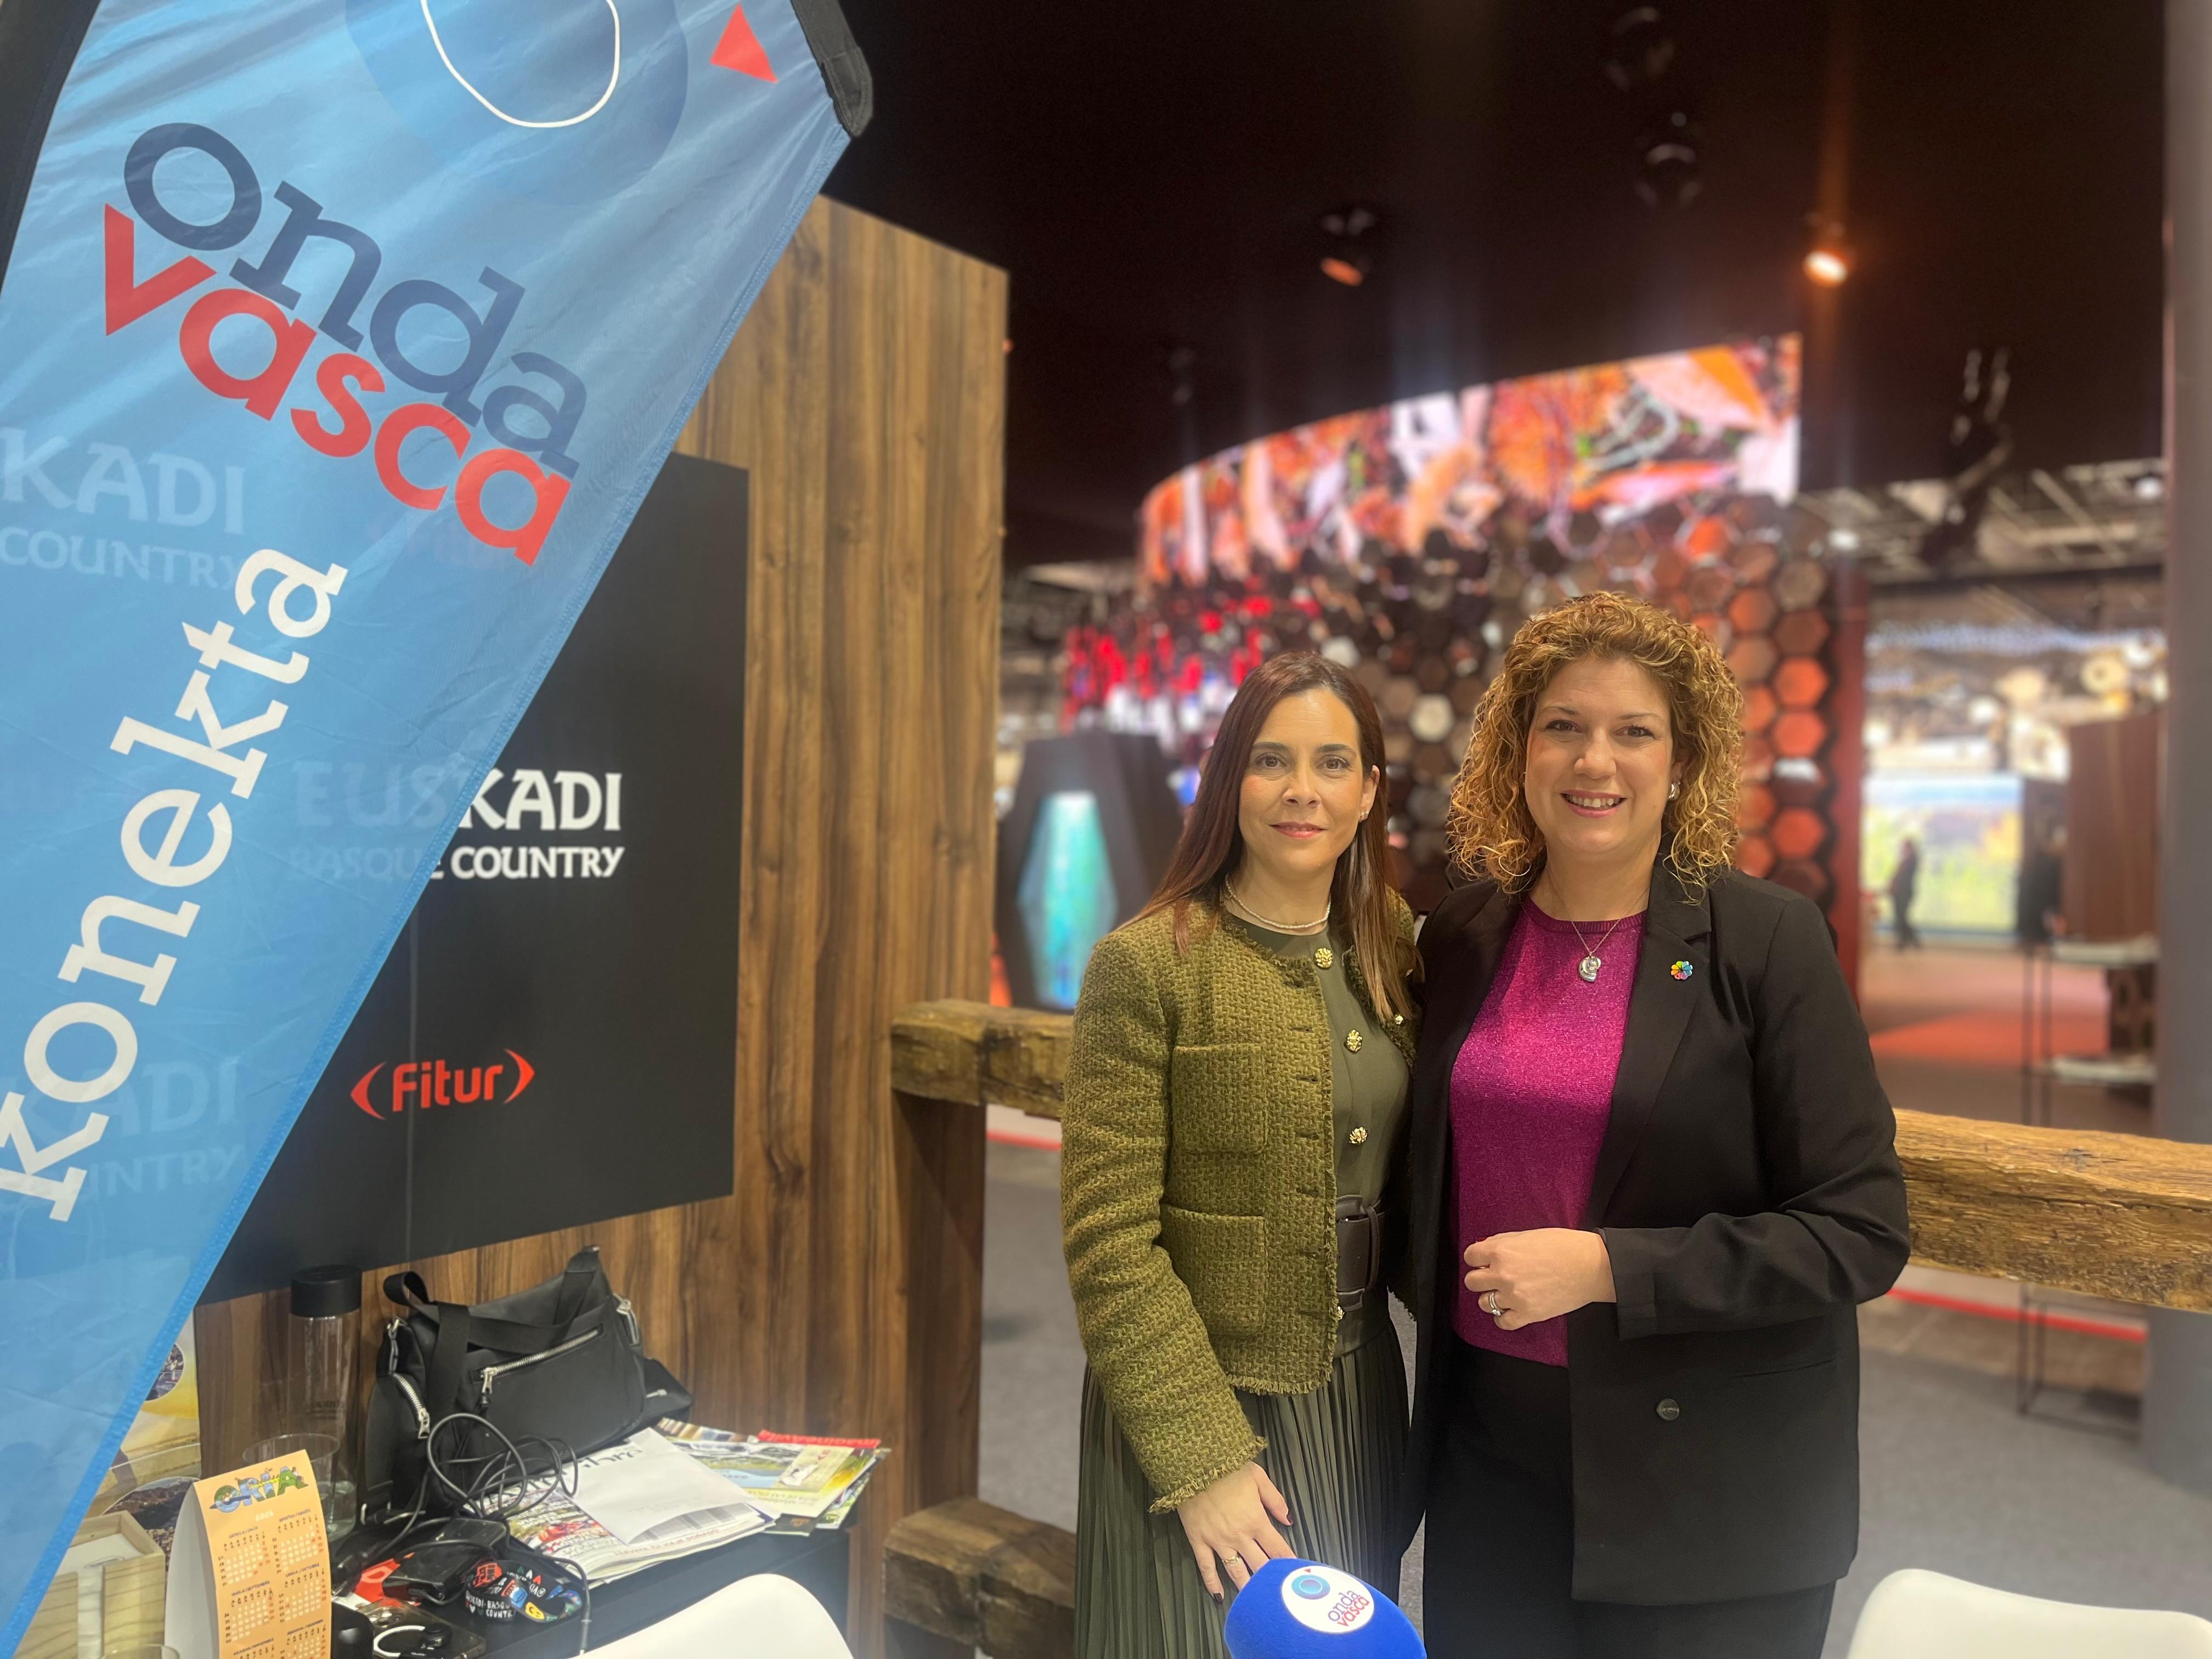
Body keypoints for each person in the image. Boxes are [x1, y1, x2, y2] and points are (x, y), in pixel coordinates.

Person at [1400, 592, 1910, 1659]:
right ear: (1518, 750)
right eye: (1565, 727)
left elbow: (1860, 1229)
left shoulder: (1764, 941)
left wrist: (1608, 1270)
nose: (1597, 762)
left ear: (1682, 763)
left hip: (1711, 1490)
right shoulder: (1463, 933)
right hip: (1492, 1463)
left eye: (1635, 732)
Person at [1061, 652, 1420, 1658]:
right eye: (1270, 760)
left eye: (1331, 763)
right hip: (1200, 1407)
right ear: (1229, 780)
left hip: (1356, 1398)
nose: (1301, 789)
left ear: (1367, 793)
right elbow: (1109, 1244)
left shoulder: (1391, 945)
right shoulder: (1146, 963)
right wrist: (1203, 1456)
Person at [1889, 836, 1921, 949]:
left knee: (1902, 917)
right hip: (1898, 893)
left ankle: (1907, 941)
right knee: (1900, 916)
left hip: (1905, 892)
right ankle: (1909, 940)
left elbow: (1904, 878)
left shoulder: (1912, 860)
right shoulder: (1905, 860)